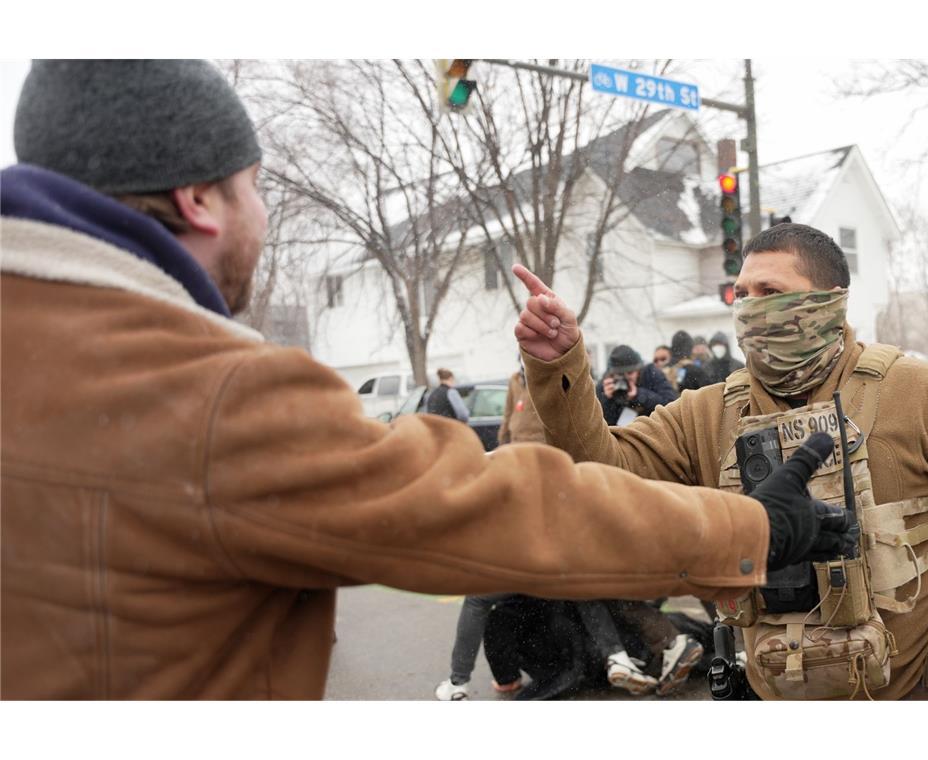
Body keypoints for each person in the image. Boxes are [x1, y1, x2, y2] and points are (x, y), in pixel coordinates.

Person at [0, 60, 851, 700]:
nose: (261, 213)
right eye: (256, 185)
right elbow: (517, 505)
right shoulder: (206, 394)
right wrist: (757, 526)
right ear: (197, 199)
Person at [511, 222, 928, 700]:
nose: (751, 308)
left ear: (830, 299)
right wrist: (559, 367)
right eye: (742, 294)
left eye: (769, 290)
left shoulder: (920, 394)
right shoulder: (708, 414)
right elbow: (604, 472)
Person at [597, 344, 678, 427]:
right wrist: (607, 399)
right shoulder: (605, 385)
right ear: (611, 374)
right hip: (621, 435)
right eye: (619, 374)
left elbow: (670, 405)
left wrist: (639, 395)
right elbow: (602, 426)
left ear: (638, 370)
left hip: (652, 430)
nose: (626, 378)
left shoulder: (651, 374)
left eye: (630, 373)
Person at [497, 363, 543, 446]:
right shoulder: (514, 379)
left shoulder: (543, 378)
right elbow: (508, 410)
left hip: (538, 440)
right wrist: (503, 436)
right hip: (516, 439)